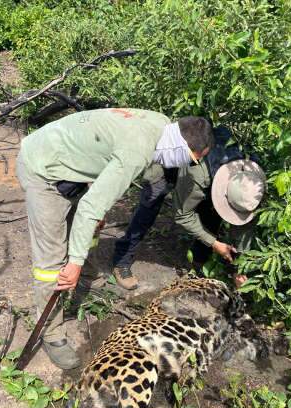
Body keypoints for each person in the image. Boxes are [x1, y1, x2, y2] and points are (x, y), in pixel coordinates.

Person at [16, 108, 214, 369]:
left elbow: (106, 159)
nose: (193, 166)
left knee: (89, 224)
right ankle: (52, 333)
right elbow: (89, 207)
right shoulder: (138, 151)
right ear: (180, 149)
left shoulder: (162, 125)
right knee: (51, 261)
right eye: (192, 161)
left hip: (69, 163)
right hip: (44, 170)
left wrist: (100, 204)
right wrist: (73, 262)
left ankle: (87, 278)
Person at [111, 125, 266, 290]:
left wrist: (239, 266)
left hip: (209, 167)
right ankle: (122, 259)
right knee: (150, 205)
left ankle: (199, 260)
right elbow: (183, 215)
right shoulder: (198, 174)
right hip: (170, 160)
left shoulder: (252, 181)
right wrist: (215, 244)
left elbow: (244, 226)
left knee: (211, 212)